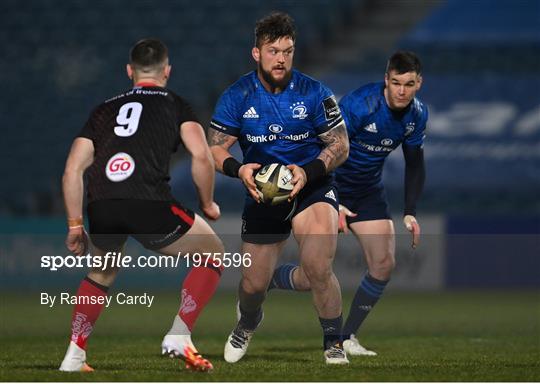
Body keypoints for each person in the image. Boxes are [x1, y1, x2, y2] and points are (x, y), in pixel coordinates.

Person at [59, 38, 223, 372]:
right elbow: (202, 156)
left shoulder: (104, 109)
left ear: (129, 71)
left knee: (101, 272)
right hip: (148, 201)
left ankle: (74, 356)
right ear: (167, 71)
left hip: (103, 204)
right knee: (213, 253)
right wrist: (207, 203)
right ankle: (180, 334)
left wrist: (75, 225)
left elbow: (73, 169)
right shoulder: (176, 104)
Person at [207, 12, 350, 365]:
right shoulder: (238, 95)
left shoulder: (314, 93)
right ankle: (249, 319)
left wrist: (308, 170)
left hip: (311, 186)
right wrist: (239, 171)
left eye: (287, 51)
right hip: (262, 192)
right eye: (273, 51)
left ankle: (333, 341)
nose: (281, 58)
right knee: (253, 285)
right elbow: (213, 149)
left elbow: (341, 145)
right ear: (257, 53)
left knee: (318, 268)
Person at [269, 51, 427, 357]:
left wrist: (410, 212)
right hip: (329, 185)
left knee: (384, 264)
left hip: (367, 191)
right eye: (396, 83)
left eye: (409, 84)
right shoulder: (359, 105)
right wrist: (332, 199)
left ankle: (348, 336)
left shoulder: (417, 115)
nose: (402, 91)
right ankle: (270, 279)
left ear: (419, 83)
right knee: (313, 274)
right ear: (386, 80)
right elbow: (326, 148)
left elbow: (415, 164)